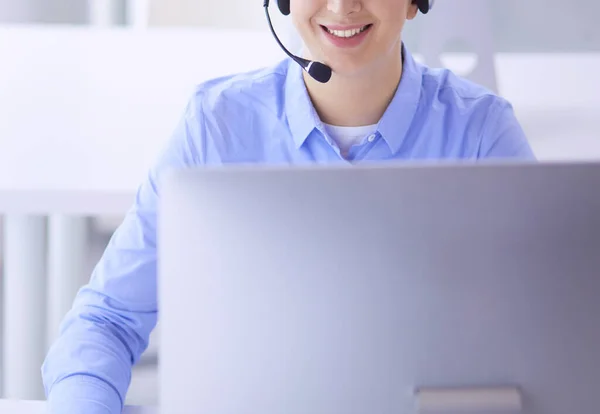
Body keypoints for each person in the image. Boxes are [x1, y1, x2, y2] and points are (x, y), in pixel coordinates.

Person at [42, 0, 535, 412]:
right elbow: (106, 320)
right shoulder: (217, 129)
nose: (342, 6)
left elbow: (546, 334)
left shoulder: (481, 137)